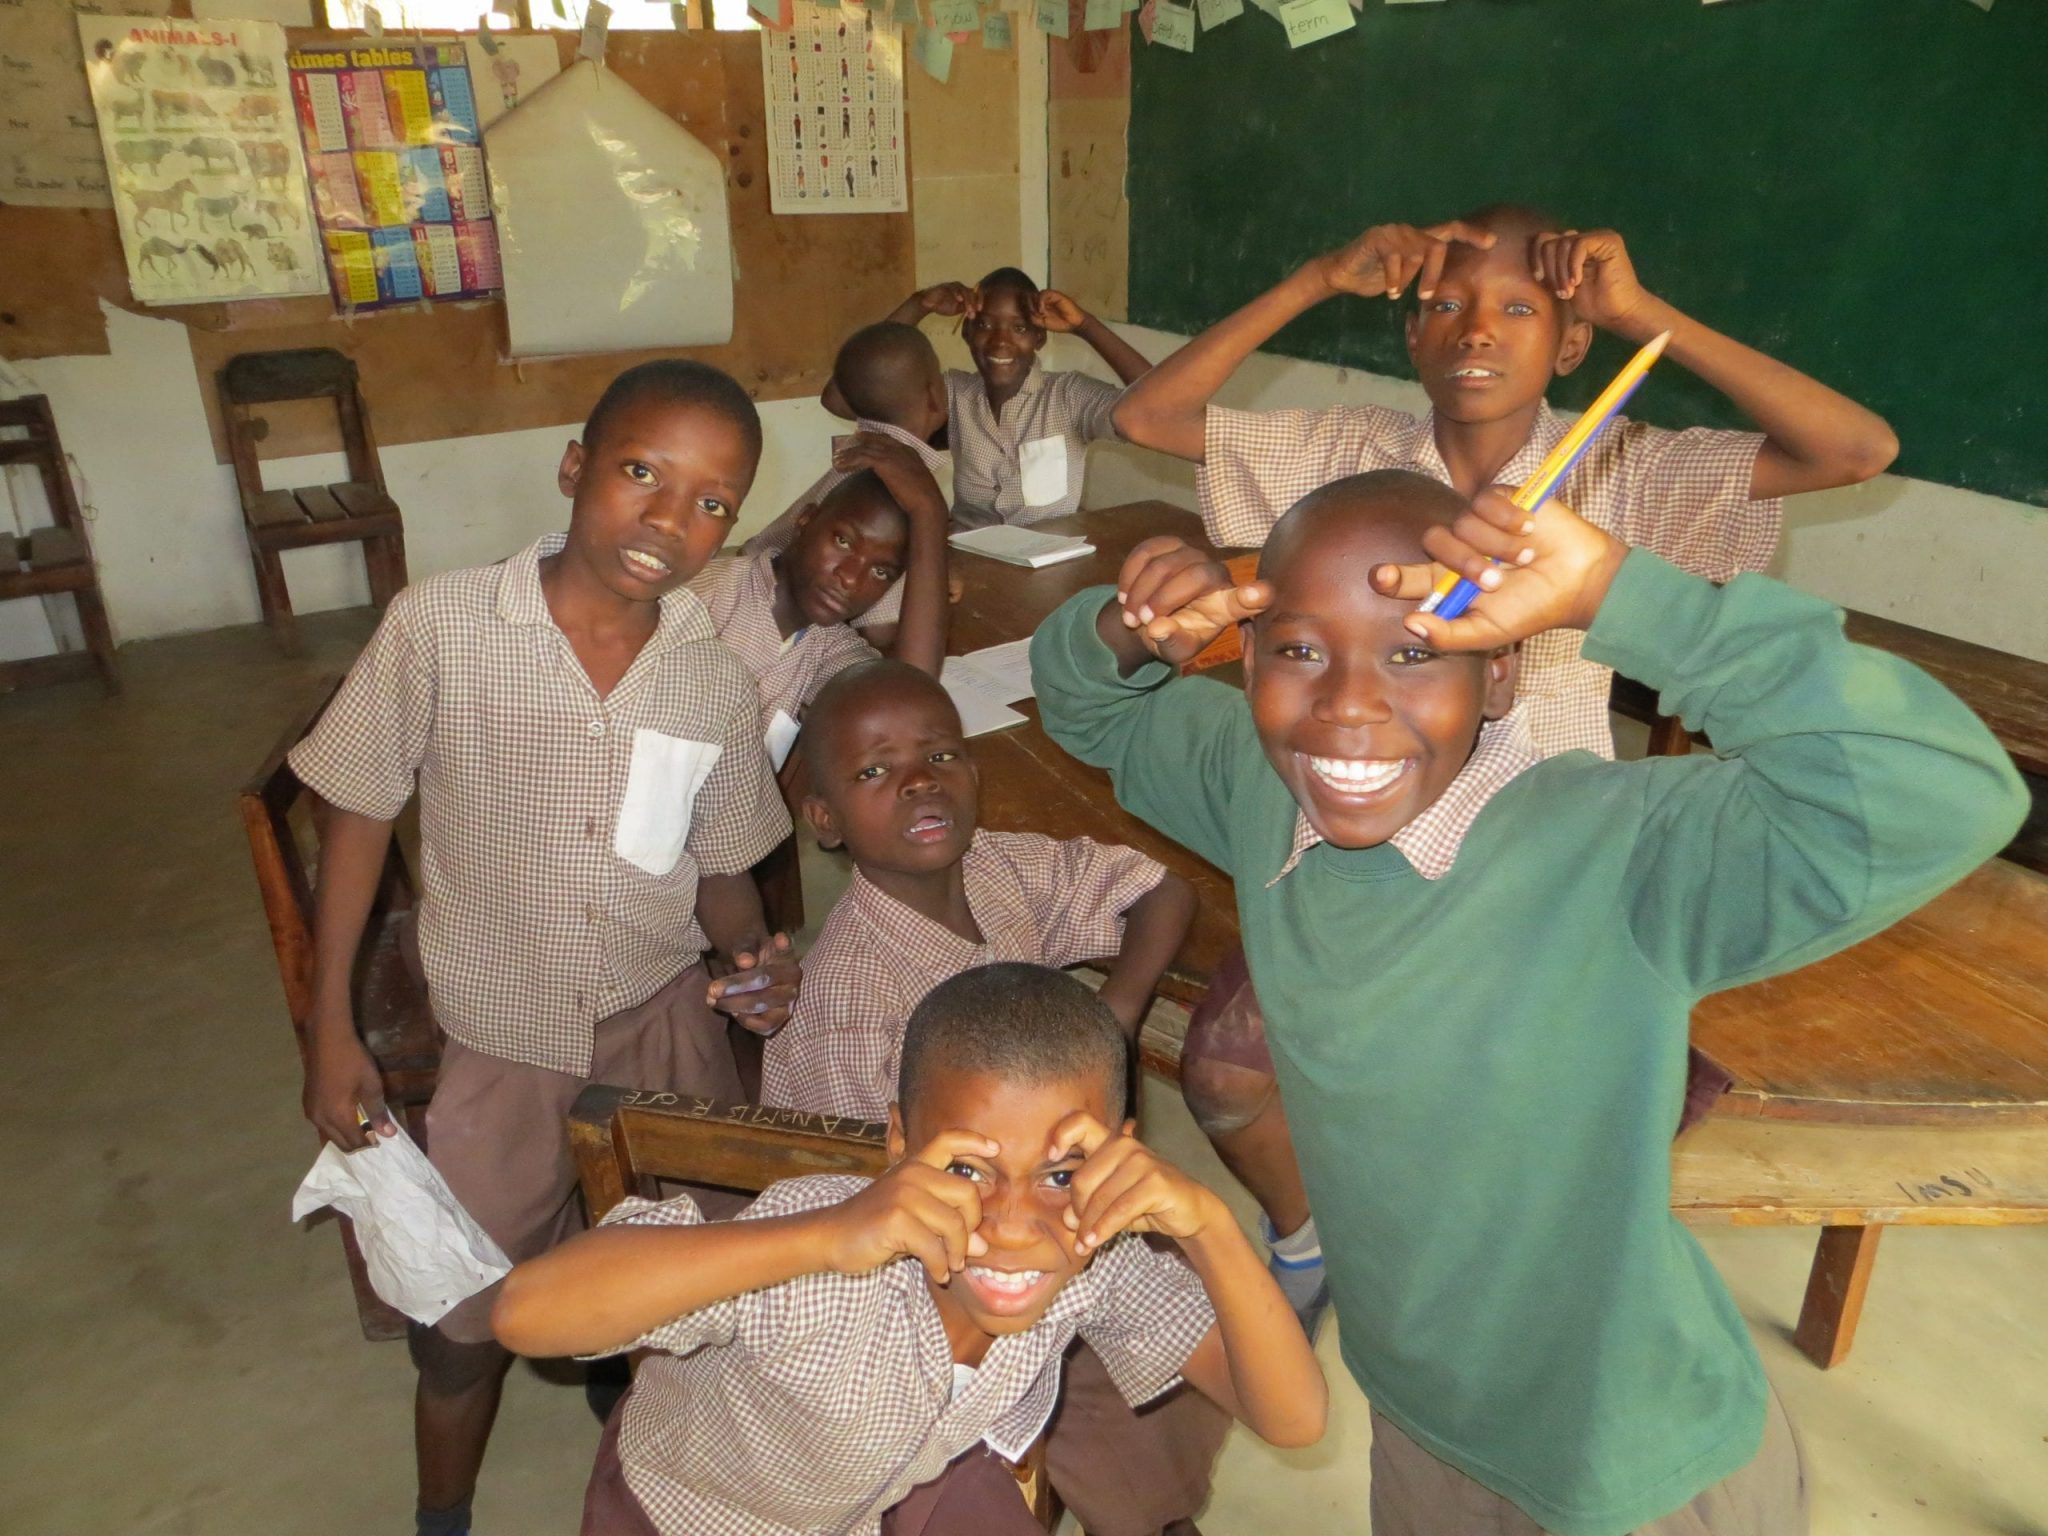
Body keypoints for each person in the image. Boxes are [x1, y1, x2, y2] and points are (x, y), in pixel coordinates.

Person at [1029, 468, 2024, 1534]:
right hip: (1418, 1416)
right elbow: (1085, 698)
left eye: (1415, 652)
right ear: (1247, 650)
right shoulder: (1259, 787)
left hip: (1621, 1462)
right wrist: (1129, 629)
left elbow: (1945, 791)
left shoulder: (1619, 853)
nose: (1347, 703)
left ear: (1501, 673)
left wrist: (1625, 598)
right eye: (1299, 649)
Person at [1110, 208, 1903, 1320]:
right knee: (1227, 1074)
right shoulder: (1347, 453)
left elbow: (1856, 450)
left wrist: (1644, 318)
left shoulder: (1621, 470)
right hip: (1361, 829)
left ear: (1570, 344)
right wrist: (1310, 275)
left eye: (1519, 309)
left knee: (1522, 1114)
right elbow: (1146, 413)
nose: (1473, 330)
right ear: (1409, 336)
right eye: (1442, 305)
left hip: (1542, 853)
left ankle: (1472, 1260)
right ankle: (1304, 1235)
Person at [290, 360, 802, 1536]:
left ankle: (644, 1419)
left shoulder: (711, 680)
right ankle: (443, 1514)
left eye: (712, 501)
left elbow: (724, 868)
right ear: (574, 468)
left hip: (661, 1024)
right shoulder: (444, 627)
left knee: (689, 1284)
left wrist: (748, 960)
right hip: (501, 1042)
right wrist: (330, 1030)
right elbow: (358, 809)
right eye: (639, 474)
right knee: (460, 1326)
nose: (668, 522)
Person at [493, 963, 1328, 1536]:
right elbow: (526, 1314)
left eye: (1061, 1172)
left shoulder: (1094, 1255)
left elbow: (1293, 1420)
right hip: (699, 1511)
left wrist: (1212, 1227)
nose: (1011, 1224)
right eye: (968, 1167)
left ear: (1120, 1155)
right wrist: (820, 1238)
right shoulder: (818, 1254)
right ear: (898, 1142)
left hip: (906, 1484)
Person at [762, 660, 1211, 1536]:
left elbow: (1163, 888)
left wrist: (1113, 1010)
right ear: (824, 820)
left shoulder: (995, 866)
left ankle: (1147, 1505)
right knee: (1131, 1346)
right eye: (873, 772)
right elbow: (881, 1223)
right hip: (933, 1288)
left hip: (1036, 1209)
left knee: (1180, 1302)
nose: (920, 782)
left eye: (941, 754)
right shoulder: (853, 1008)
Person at [689, 441, 949, 775]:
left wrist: (930, 514)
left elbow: (909, 705)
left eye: (881, 571)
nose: (850, 579)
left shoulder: (828, 646)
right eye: (843, 542)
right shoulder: (703, 597)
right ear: (805, 521)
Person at [842, 268, 1154, 526]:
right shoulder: (951, 393)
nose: (1000, 342)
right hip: (968, 559)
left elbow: (1155, 408)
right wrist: (920, 303)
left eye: (1019, 328)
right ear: (966, 333)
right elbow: (843, 397)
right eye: (985, 325)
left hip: (1052, 564)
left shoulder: (1068, 396)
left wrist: (1086, 326)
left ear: (1039, 338)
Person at [746, 320, 953, 644]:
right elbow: (877, 631)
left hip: (754, 583)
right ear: (935, 395)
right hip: (776, 627)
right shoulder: (900, 489)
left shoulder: (862, 448)